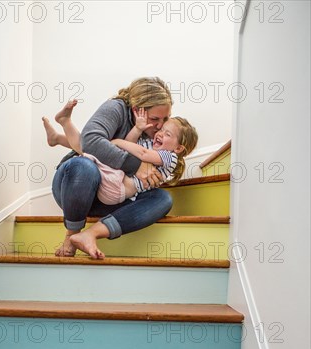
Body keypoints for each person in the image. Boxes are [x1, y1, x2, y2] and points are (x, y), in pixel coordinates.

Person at [47, 77, 176, 260]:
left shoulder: (158, 135)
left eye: (166, 118)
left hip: (113, 195)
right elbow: (89, 141)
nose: (160, 126)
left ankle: (89, 235)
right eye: (155, 119)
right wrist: (135, 165)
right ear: (136, 109)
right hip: (77, 186)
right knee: (84, 166)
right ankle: (72, 233)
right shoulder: (115, 108)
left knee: (163, 198)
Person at [43, 103, 198, 205]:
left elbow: (142, 153)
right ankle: (56, 138)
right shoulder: (152, 144)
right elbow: (129, 144)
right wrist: (137, 129)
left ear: (178, 149)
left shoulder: (169, 157)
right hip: (115, 180)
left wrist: (116, 142)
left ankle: (65, 123)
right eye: (162, 129)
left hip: (116, 188)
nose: (160, 133)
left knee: (90, 150)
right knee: (94, 149)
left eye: (167, 134)